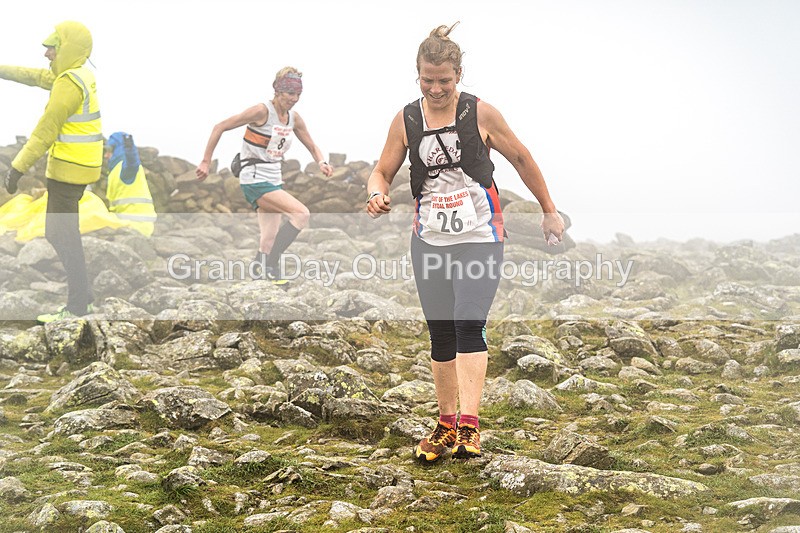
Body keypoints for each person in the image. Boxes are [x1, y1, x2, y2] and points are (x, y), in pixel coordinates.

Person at [366, 23, 565, 461]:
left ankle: (470, 427)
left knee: (467, 320)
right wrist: (376, 193)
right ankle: (445, 423)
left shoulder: (480, 113)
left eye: (445, 80)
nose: (436, 89)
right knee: (440, 332)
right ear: (417, 75)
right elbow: (382, 170)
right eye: (428, 80)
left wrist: (548, 209)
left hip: (480, 234)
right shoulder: (407, 119)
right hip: (429, 238)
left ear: (459, 75)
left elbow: (521, 157)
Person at [1, 21, 103, 322]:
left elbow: (45, 131)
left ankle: (77, 306)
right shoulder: (78, 75)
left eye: (52, 47)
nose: (46, 53)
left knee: (60, 233)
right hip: (81, 166)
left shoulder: (68, 85)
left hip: (69, 171)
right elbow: (34, 77)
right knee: (63, 232)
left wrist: (17, 168)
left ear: (66, 48)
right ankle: (83, 297)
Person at [196, 67, 333, 280]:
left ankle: (259, 272)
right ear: (278, 91)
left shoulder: (294, 119)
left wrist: (322, 162)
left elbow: (312, 146)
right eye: (290, 93)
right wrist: (205, 161)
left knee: (268, 240)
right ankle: (272, 265)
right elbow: (219, 127)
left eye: (298, 94)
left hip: (273, 179)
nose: (294, 98)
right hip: (254, 177)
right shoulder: (261, 111)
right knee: (301, 214)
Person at [105, 132, 157, 237]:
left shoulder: (126, 169)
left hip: (137, 226)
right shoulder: (114, 171)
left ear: (117, 150)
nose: (106, 156)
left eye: (109, 151)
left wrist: (130, 150)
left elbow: (132, 163)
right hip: (127, 223)